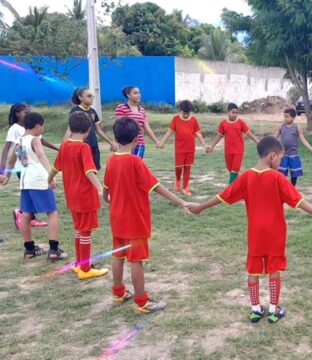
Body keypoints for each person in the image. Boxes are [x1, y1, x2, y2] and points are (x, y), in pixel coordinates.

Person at [187, 136, 312, 323]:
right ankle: (273, 310)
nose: (280, 162)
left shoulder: (246, 176)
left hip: (255, 233)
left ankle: (255, 309)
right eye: (280, 158)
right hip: (275, 232)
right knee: (274, 269)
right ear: (273, 156)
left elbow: (223, 196)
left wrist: (201, 207)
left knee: (253, 270)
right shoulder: (278, 178)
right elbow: (298, 201)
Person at [104, 117, 192, 313]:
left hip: (116, 217)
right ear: (137, 138)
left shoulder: (111, 160)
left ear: (115, 137)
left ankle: (118, 292)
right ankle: (142, 302)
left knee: (118, 255)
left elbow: (106, 190)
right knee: (136, 260)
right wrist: (181, 201)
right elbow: (156, 187)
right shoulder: (135, 162)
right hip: (134, 219)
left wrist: (107, 199)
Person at [49, 112, 109, 279]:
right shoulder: (84, 147)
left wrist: (49, 180)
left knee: (79, 229)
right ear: (88, 129)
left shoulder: (65, 145)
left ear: (70, 128)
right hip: (85, 197)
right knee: (86, 231)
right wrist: (100, 189)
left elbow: (55, 167)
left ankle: (79, 263)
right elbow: (90, 171)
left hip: (72, 196)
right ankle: (85, 269)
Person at [0, 112, 66, 260]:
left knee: (26, 214)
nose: (42, 129)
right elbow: (42, 156)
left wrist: (7, 176)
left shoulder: (19, 141)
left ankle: (29, 249)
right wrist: (51, 176)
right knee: (52, 212)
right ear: (37, 126)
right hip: (39, 180)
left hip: (25, 181)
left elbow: (12, 160)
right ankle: (54, 249)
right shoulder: (35, 140)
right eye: (43, 126)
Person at [1, 104, 57, 229]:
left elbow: (42, 141)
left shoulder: (33, 132)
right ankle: (26, 215)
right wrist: (3, 172)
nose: (28, 114)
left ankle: (26, 216)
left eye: (29, 112)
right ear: (17, 114)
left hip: (30, 170)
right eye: (25, 112)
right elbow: (7, 152)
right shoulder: (15, 129)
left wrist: (57, 148)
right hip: (26, 169)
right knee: (44, 203)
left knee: (29, 194)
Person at [158, 100, 211, 196]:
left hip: (190, 148)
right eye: (184, 113)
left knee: (187, 167)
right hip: (179, 148)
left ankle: (185, 187)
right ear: (180, 110)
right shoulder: (175, 119)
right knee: (178, 167)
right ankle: (178, 180)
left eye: (188, 113)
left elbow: (198, 133)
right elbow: (169, 132)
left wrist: (204, 145)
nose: (186, 115)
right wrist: (162, 142)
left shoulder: (194, 120)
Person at [64, 88, 117, 171]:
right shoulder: (75, 111)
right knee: (82, 170)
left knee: (94, 169)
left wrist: (111, 142)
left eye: (92, 96)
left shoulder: (93, 111)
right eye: (89, 96)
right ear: (80, 97)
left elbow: (98, 130)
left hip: (93, 145)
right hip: (81, 146)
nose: (92, 98)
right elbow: (70, 129)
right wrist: (64, 145)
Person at [210, 103, 259, 184]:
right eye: (233, 112)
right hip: (228, 151)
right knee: (230, 170)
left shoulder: (241, 122)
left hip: (238, 151)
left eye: (236, 113)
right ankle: (238, 185)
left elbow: (248, 133)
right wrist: (212, 146)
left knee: (235, 169)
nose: (235, 115)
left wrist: (257, 141)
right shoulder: (223, 123)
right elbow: (219, 136)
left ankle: (230, 189)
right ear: (228, 112)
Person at [275, 108, 312, 186]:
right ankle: (282, 188)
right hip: (282, 155)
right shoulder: (280, 127)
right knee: (281, 173)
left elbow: (303, 140)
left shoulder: (297, 127)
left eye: (287, 116)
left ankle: (292, 188)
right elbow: (274, 138)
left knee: (294, 174)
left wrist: (311, 149)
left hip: (293, 154)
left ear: (293, 117)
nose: (285, 118)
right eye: (284, 116)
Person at [115, 86, 160, 159]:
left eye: (139, 93)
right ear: (128, 95)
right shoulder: (121, 107)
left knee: (137, 164)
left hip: (139, 143)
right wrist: (115, 142)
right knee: (126, 165)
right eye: (135, 93)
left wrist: (156, 141)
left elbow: (147, 128)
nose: (138, 95)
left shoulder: (142, 110)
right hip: (126, 144)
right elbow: (119, 127)